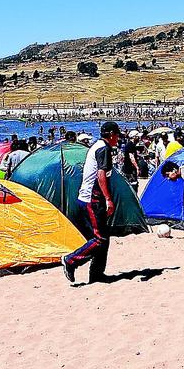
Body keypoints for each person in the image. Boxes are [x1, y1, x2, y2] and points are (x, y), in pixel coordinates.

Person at [62, 121, 121, 284]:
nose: (117, 138)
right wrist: (109, 199)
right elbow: (100, 175)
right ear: (110, 134)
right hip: (91, 199)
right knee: (99, 239)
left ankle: (97, 274)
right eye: (116, 135)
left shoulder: (99, 146)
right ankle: (71, 260)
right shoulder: (103, 149)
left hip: (90, 198)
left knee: (103, 237)